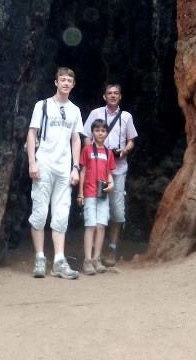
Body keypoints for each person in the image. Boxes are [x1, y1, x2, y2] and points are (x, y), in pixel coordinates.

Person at [27, 67, 82, 279]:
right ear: (56, 82)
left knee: (61, 214)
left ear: (73, 84)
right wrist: (32, 162)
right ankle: (40, 258)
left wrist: (75, 167)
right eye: (63, 79)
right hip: (44, 164)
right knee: (40, 212)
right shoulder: (42, 106)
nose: (66, 83)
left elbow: (76, 139)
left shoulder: (75, 111)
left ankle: (59, 260)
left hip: (63, 168)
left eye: (70, 80)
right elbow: (32, 134)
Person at [83, 82, 138, 266]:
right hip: (97, 170)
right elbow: (86, 137)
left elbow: (131, 140)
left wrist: (125, 150)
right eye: (109, 93)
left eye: (116, 93)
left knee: (116, 210)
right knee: (94, 207)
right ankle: (91, 252)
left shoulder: (127, 117)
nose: (113, 96)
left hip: (118, 169)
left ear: (120, 96)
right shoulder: (96, 114)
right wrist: (92, 157)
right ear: (104, 96)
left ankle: (111, 248)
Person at [76, 118, 116, 274]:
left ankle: (96, 258)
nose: (100, 133)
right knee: (90, 225)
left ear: (106, 133)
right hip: (90, 193)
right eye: (97, 130)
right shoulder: (87, 150)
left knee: (101, 226)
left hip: (103, 194)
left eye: (103, 130)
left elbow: (109, 174)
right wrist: (80, 193)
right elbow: (83, 171)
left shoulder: (108, 152)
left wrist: (111, 184)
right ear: (92, 133)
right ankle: (87, 259)